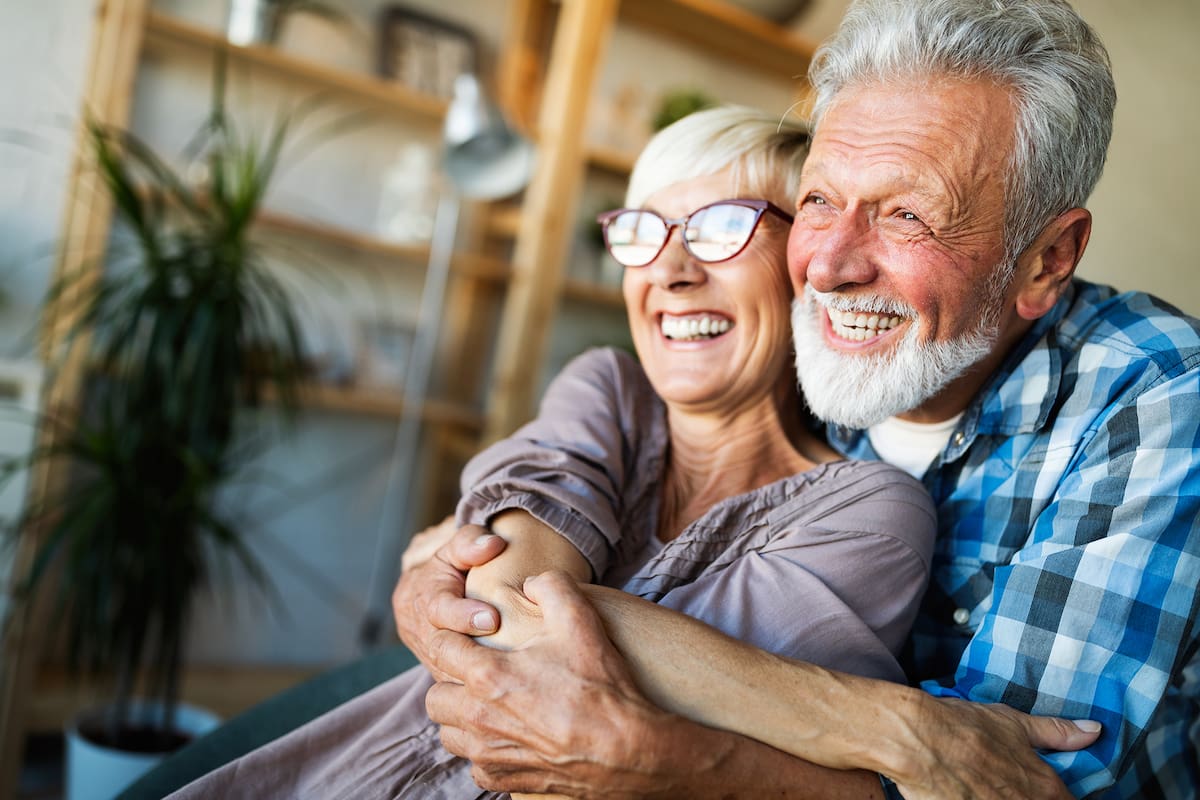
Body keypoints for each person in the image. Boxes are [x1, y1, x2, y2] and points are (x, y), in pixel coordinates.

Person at [404, 1, 1200, 798]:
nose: (828, 266)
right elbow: (520, 534)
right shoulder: (791, 363)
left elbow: (1016, 783)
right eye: (820, 201)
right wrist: (892, 727)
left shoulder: (1157, 393)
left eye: (907, 215)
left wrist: (677, 761)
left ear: (1047, 259)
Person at [167, 106, 939, 798]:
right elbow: (492, 614)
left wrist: (457, 559)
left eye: (720, 226)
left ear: (805, 265)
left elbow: (598, 696)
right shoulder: (606, 388)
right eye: (646, 231)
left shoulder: (870, 511)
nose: (670, 271)